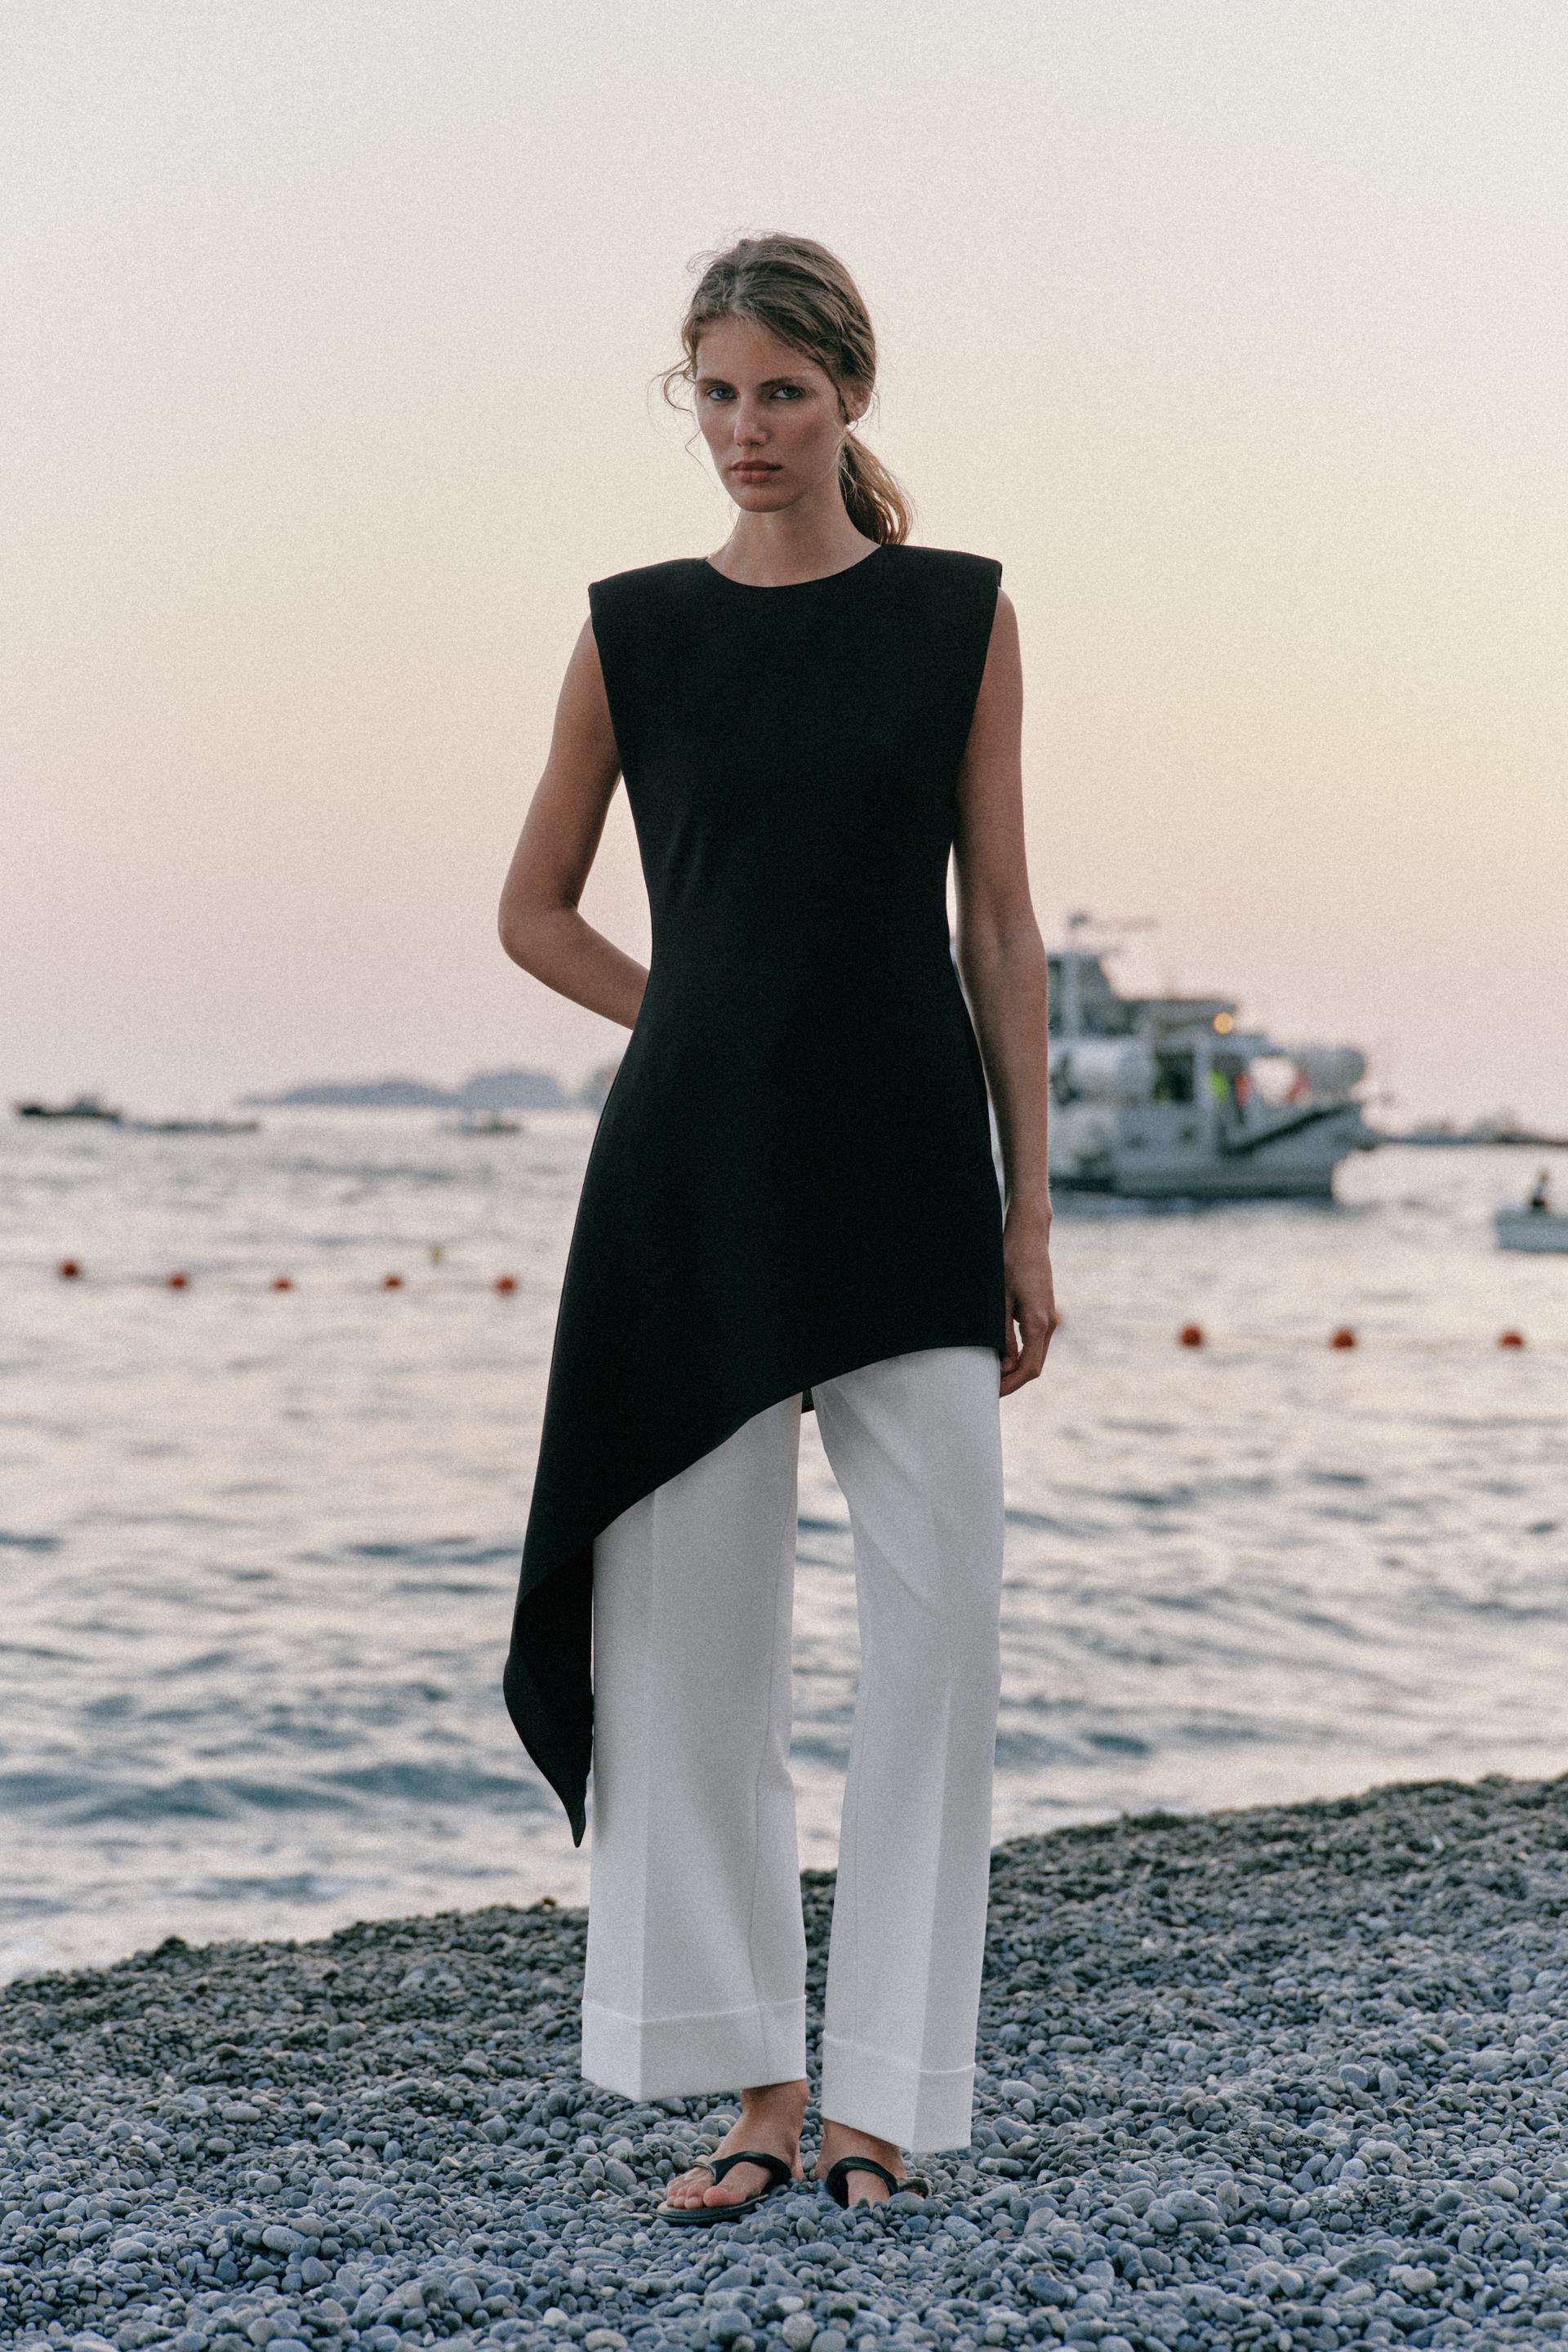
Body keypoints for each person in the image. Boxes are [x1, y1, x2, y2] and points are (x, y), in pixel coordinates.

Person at [497, 234, 1057, 2221]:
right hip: (695, 1182)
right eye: (717, 395)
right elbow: (535, 910)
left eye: (784, 395)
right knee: (685, 1652)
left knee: (944, 1621)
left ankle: (891, 2099)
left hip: (909, 1164)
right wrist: (709, 1025)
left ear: (851, 398)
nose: (748, 431)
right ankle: (754, 2085)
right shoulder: (632, 631)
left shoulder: (957, 618)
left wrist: (1033, 1206)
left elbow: (999, 921)